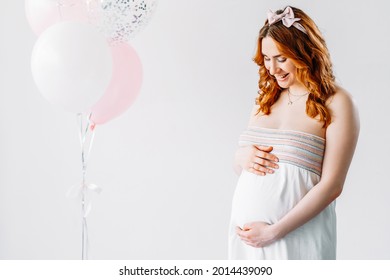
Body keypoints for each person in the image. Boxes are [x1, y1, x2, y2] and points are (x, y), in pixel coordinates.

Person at [228, 6, 359, 259]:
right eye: (266, 58)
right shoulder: (264, 100)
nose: (273, 69)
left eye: (281, 58)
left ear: (304, 52)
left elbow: (332, 185)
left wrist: (275, 231)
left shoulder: (337, 102)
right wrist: (240, 158)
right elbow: (255, 169)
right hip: (249, 241)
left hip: (297, 235)